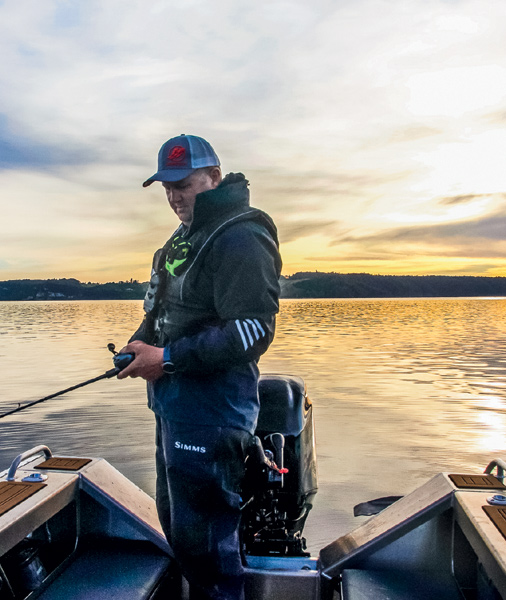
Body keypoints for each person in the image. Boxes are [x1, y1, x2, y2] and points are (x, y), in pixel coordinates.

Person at [118, 134, 282, 600]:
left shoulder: (240, 235)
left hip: (212, 415)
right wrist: (142, 343)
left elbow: (254, 330)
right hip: (174, 408)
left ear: (213, 177)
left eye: (183, 184)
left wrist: (167, 359)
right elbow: (163, 313)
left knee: (209, 550)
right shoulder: (181, 239)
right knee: (183, 536)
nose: (173, 196)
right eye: (166, 186)